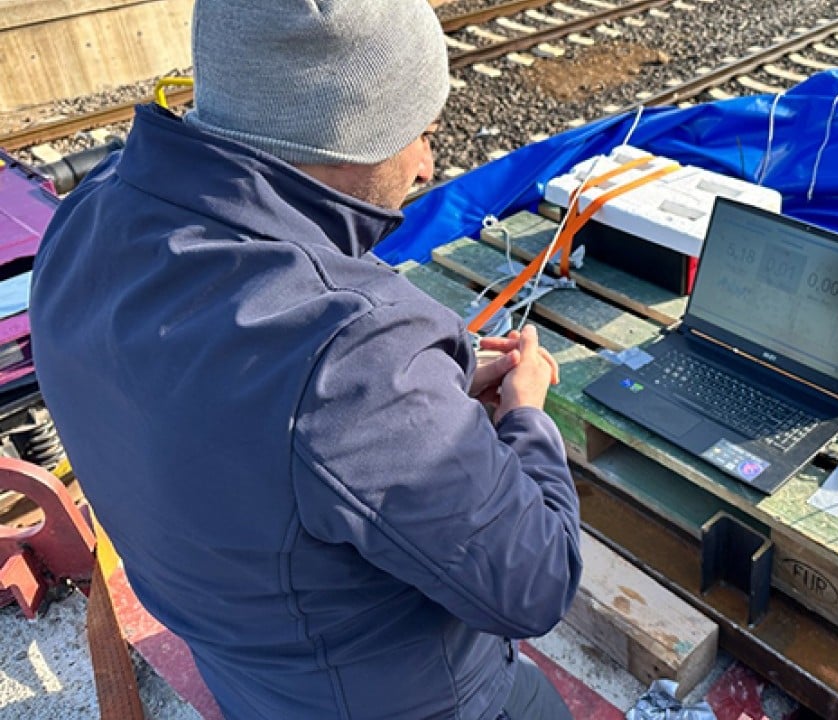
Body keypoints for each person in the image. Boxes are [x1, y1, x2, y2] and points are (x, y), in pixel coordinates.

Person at [30, 1, 581, 718]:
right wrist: (525, 414)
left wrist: (423, 402)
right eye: (420, 132)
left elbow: (246, 422)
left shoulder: (88, 214)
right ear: (348, 135)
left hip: (250, 674)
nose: (428, 165)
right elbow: (535, 583)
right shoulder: (355, 351)